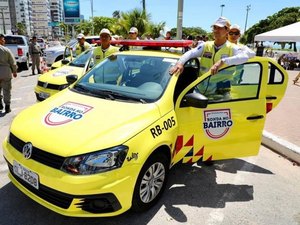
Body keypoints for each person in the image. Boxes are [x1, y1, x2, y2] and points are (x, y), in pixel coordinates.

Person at [169, 17, 249, 98]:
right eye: (215, 28)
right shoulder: (206, 45)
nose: (216, 30)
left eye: (220, 28)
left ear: (227, 30)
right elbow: (190, 53)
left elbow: (244, 57)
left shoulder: (233, 48)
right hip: (200, 91)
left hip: (221, 94)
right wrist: (180, 63)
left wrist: (222, 61)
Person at [0, 34, 17, 113]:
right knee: (7, 90)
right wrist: (14, 71)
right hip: (5, 72)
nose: (4, 41)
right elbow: (12, 62)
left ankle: (0, 104)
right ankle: (7, 107)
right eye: (3, 40)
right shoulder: (6, 50)